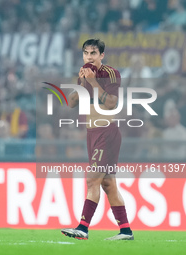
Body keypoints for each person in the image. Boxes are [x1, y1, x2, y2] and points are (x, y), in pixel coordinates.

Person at [61, 39, 134, 240]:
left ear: (102, 55)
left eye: (93, 53)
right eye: (86, 53)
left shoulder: (111, 74)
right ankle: (125, 230)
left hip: (106, 132)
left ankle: (82, 228)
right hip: (91, 133)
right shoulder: (84, 73)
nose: (89, 57)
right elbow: (71, 103)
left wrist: (93, 82)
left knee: (92, 179)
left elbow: (111, 104)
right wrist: (81, 83)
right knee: (108, 184)